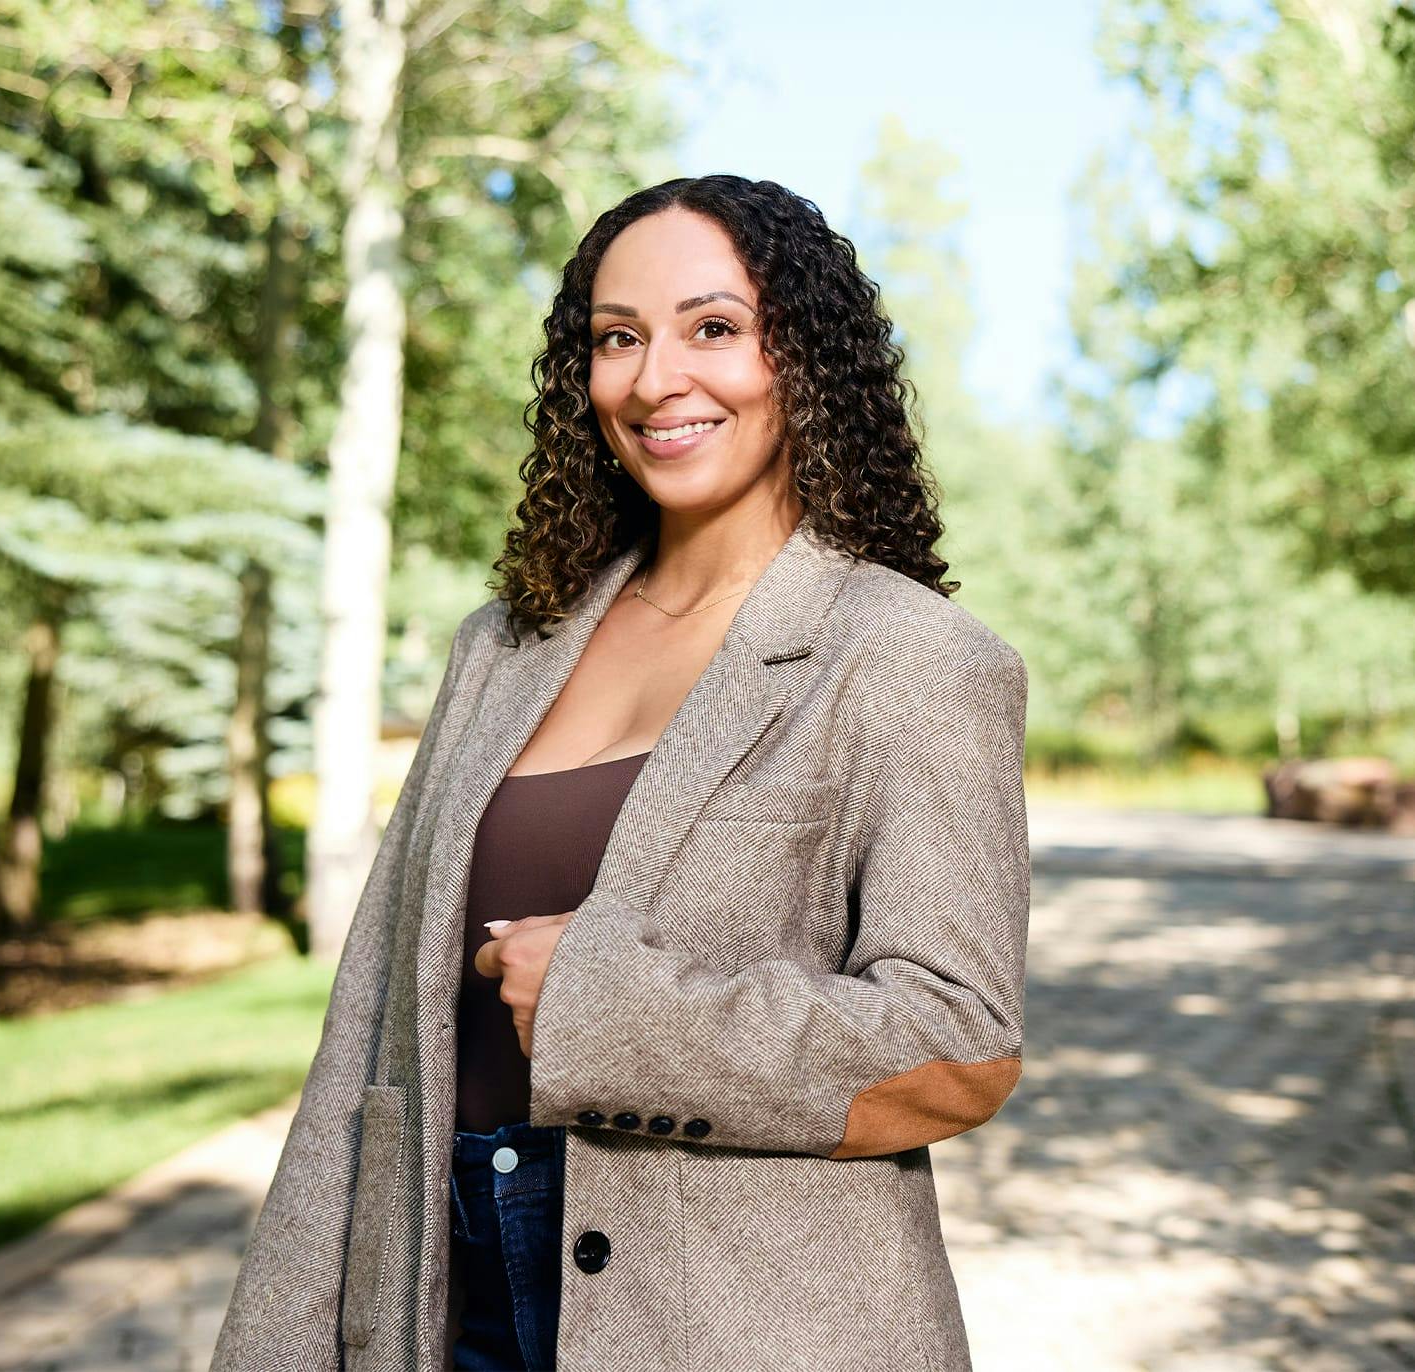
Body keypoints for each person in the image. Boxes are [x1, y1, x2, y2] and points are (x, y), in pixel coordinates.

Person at [212, 173, 1031, 1372]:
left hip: (750, 1325)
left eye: (713, 328)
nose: (654, 380)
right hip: (444, 1288)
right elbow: (368, 1035)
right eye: (616, 338)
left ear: (802, 356)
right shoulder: (502, 646)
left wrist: (612, 1012)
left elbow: (956, 1048)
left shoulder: (909, 657)